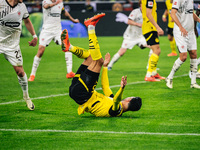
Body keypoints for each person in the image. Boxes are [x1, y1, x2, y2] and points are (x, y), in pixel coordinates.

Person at [61, 13, 142, 117]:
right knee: (90, 57)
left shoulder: (117, 110)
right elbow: (105, 86)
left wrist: (122, 89)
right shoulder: (112, 101)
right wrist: (105, 67)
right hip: (79, 91)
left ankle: (91, 26)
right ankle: (70, 47)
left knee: (98, 61)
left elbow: (117, 101)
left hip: (84, 94)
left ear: (129, 99)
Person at [28, 0, 79, 81]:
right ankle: (32, 75)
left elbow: (64, 11)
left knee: (67, 47)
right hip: (46, 30)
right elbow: (45, 6)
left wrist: (73, 20)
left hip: (57, 30)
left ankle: (69, 72)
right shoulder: (46, 1)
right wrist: (55, 3)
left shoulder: (60, 2)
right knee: (40, 51)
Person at [0, 0, 38, 110]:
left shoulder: (22, 6)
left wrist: (34, 36)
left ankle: (26, 96)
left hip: (13, 45)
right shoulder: (1, 3)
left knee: (20, 72)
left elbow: (27, 21)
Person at [108, 1, 152, 71]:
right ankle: (110, 65)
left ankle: (150, 67)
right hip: (130, 36)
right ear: (140, 5)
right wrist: (138, 24)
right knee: (122, 52)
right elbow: (129, 21)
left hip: (140, 36)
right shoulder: (135, 12)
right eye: (142, 4)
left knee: (152, 46)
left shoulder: (148, 13)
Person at [165, 0, 200, 89]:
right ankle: (169, 77)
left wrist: (199, 20)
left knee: (193, 54)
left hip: (190, 31)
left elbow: (190, 12)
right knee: (183, 57)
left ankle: (193, 82)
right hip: (180, 32)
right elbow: (173, 13)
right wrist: (181, 27)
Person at [141, 0, 165, 82]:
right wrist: (157, 27)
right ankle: (148, 75)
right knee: (156, 50)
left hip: (150, 27)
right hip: (149, 28)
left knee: (157, 50)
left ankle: (154, 73)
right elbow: (148, 14)